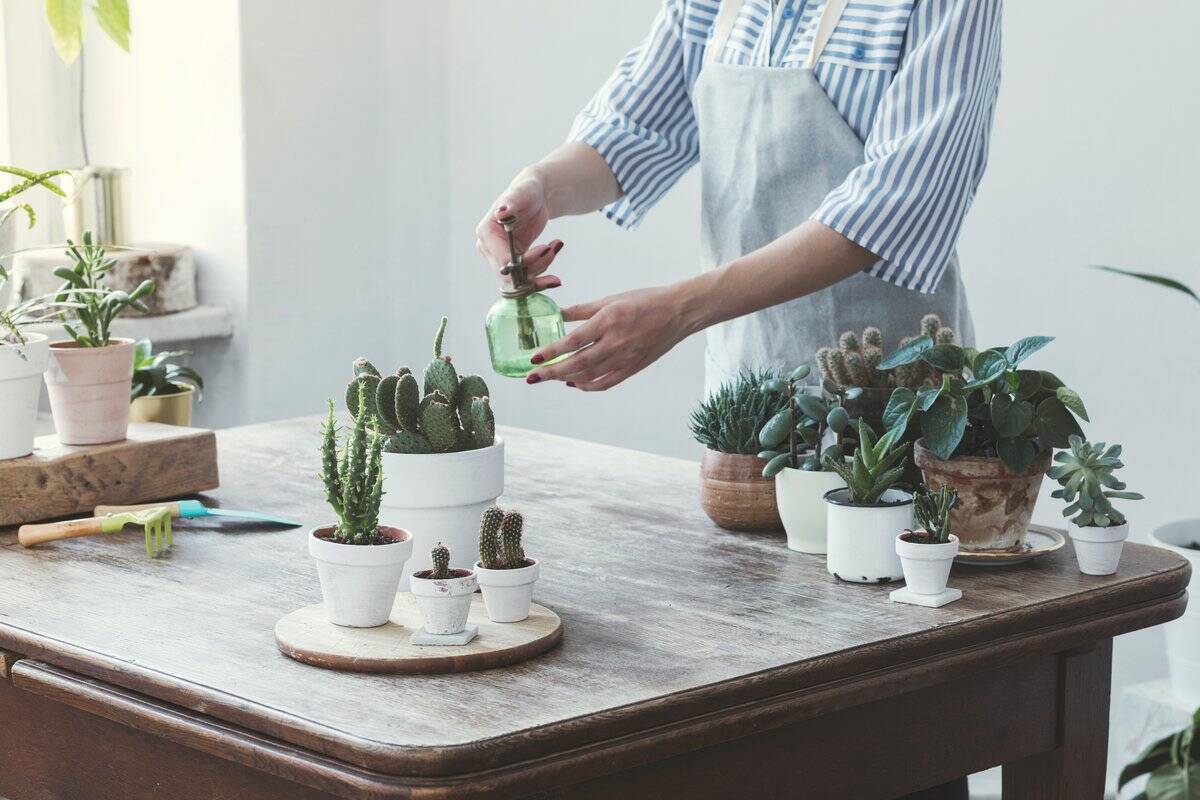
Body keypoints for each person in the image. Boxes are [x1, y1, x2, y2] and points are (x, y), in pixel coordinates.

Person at [476, 0, 1001, 398]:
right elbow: (632, 128)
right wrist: (540, 185)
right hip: (745, 392)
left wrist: (681, 309)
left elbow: (899, 202)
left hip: (899, 401)